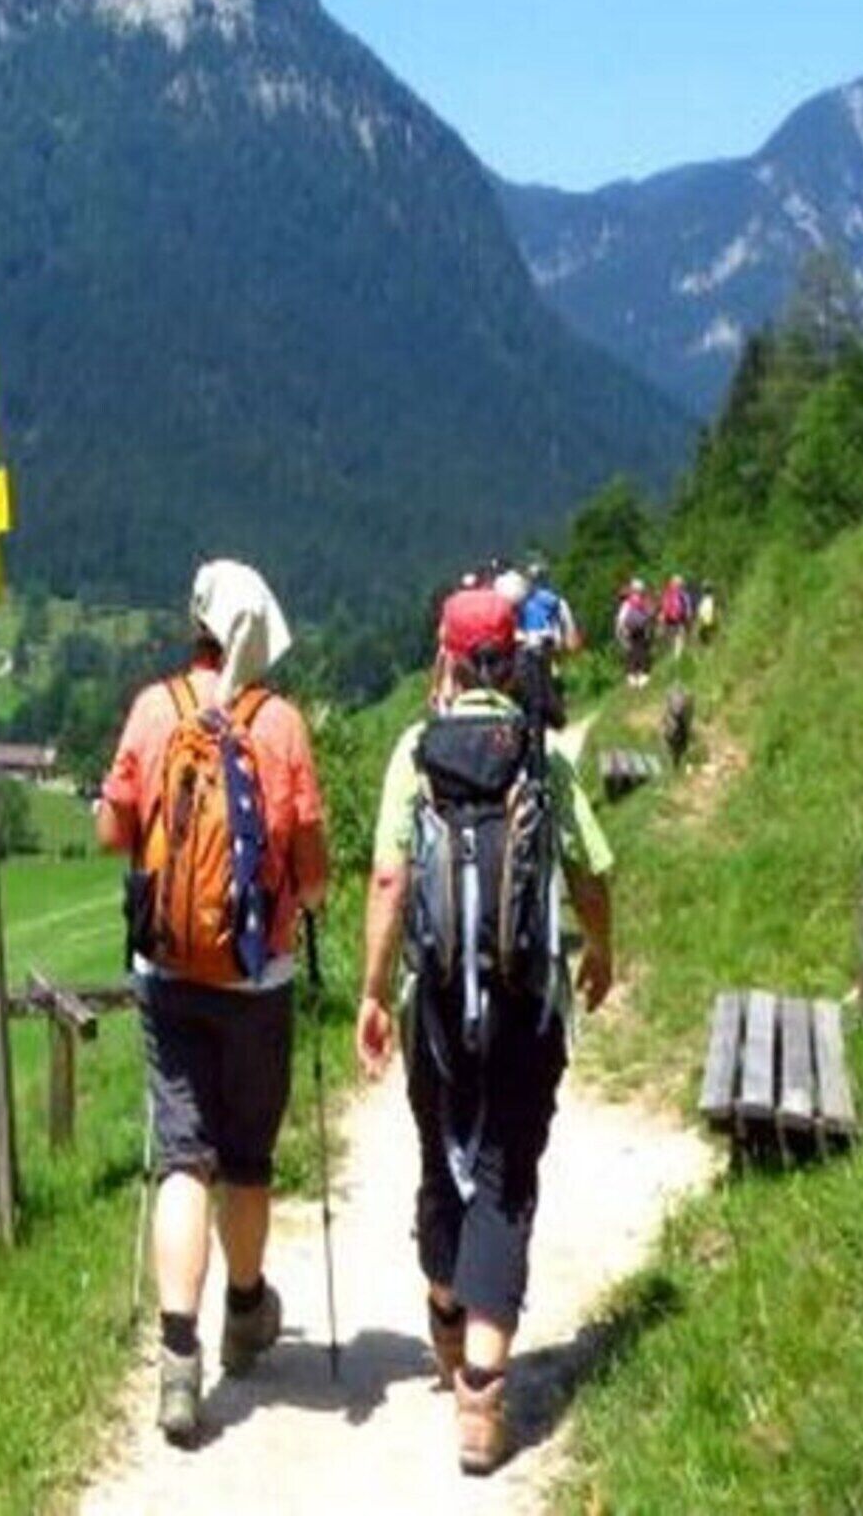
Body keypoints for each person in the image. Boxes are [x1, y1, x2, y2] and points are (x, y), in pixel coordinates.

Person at [354, 586, 617, 1476]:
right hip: (525, 1005)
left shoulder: (414, 752)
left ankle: (445, 1321)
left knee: (441, 1160)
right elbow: (589, 869)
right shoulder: (540, 758)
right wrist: (603, 952)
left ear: (447, 658)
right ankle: (480, 1406)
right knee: (505, 1175)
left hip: (435, 1007)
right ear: (512, 657)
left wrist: (372, 993)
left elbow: (390, 880)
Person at [95, 558, 332, 1447]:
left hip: (166, 973)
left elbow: (115, 829)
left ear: (193, 622)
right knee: (248, 1157)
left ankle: (178, 1363)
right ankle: (245, 1308)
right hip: (257, 979)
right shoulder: (281, 726)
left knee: (182, 1156)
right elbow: (310, 878)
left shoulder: (155, 709)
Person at [614, 578, 655, 687]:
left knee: (631, 652)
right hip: (641, 629)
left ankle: (632, 677)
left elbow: (621, 618)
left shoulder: (627, 602)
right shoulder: (643, 601)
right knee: (642, 651)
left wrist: (620, 631)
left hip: (630, 630)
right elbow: (649, 614)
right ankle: (643, 676)